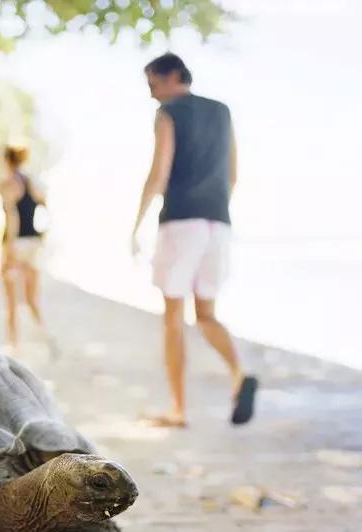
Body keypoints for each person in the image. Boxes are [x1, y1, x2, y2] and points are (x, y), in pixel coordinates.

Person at [131, 53, 258, 427]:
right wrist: (214, 208)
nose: (152, 95)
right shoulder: (222, 111)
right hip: (218, 223)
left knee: (173, 318)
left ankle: (178, 409)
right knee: (206, 314)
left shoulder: (168, 112)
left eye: (153, 85)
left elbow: (159, 172)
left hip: (180, 221)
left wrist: (136, 223)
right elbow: (233, 174)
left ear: (171, 76)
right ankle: (239, 374)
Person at [0, 144, 55, 356]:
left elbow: (12, 216)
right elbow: (46, 211)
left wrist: (9, 250)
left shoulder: (8, 183)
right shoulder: (33, 183)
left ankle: (13, 346)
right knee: (32, 299)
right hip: (34, 244)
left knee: (11, 297)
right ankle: (46, 337)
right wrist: (42, 238)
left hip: (17, 243)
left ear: (6, 160)